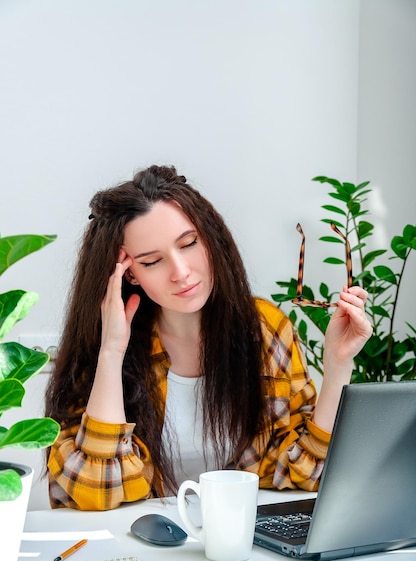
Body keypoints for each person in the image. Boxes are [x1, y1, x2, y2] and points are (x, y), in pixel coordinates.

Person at [45, 164, 372, 511]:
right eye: (152, 261)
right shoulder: (101, 347)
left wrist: (338, 363)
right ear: (130, 275)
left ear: (210, 238)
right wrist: (112, 352)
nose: (181, 272)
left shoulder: (264, 328)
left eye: (189, 244)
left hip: (244, 541)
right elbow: (96, 490)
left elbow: (307, 472)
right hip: (146, 547)